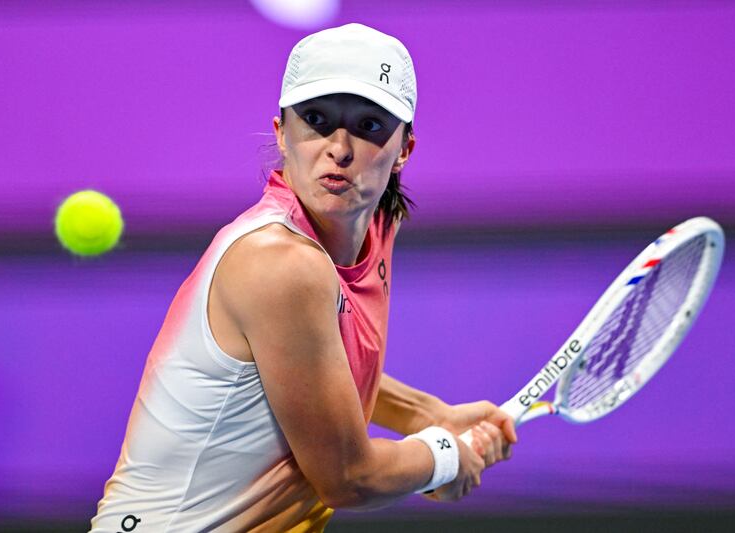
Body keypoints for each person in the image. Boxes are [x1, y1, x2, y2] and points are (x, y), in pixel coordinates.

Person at [90, 22, 517, 532]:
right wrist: (443, 456)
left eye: (369, 125)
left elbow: (316, 372)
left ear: (404, 149)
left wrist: (431, 414)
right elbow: (348, 478)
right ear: (280, 132)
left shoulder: (377, 226)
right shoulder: (280, 262)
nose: (339, 147)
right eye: (316, 119)